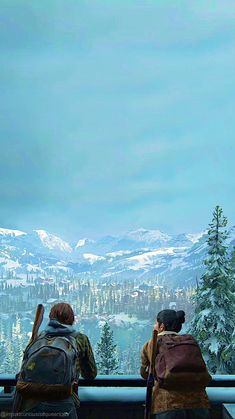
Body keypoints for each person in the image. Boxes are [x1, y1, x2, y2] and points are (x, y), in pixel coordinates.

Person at [17, 302, 97, 419]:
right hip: (63, 403)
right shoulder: (80, 339)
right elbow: (90, 374)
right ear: (71, 319)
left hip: (31, 402)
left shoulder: (39, 337)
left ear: (51, 318)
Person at [140, 309, 211, 419]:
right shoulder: (190, 341)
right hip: (199, 403)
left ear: (161, 326)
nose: (154, 326)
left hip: (168, 405)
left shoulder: (153, 343)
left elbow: (144, 373)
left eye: (155, 323)